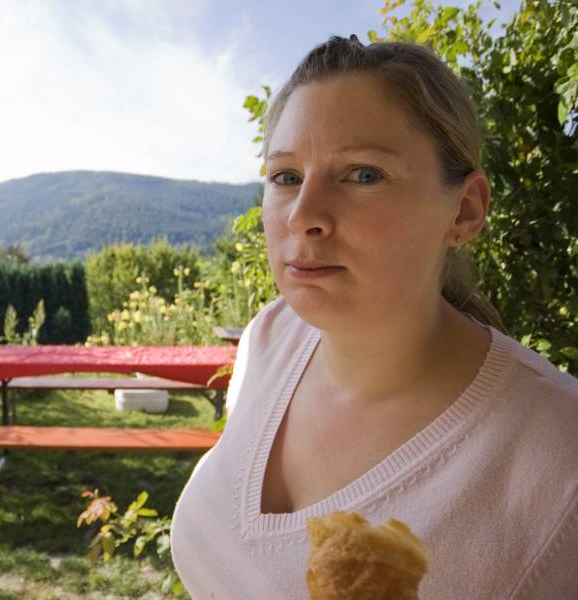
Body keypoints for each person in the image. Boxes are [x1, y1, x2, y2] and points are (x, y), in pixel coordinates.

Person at [170, 36, 578, 599]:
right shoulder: (270, 337)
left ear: (464, 210)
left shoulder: (559, 461)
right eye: (286, 176)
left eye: (364, 174)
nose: (304, 216)